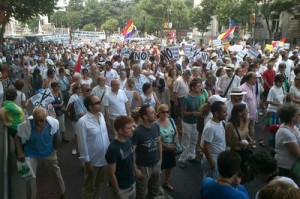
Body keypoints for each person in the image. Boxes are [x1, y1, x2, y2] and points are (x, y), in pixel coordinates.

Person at [15, 107, 66, 199]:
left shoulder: (53, 123)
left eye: (41, 120)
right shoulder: (26, 125)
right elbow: (17, 138)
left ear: (46, 117)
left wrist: (54, 150)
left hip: (49, 153)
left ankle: (62, 194)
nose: (39, 123)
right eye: (36, 120)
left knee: (56, 173)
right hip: (31, 154)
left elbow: (56, 137)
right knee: (30, 179)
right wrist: (20, 152)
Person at [77, 95, 110, 199]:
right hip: (92, 161)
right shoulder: (82, 122)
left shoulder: (101, 115)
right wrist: (87, 162)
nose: (100, 103)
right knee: (89, 188)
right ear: (90, 107)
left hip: (103, 159)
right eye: (97, 102)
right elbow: (82, 144)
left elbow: (105, 136)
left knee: (99, 184)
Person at [132, 104, 162, 199]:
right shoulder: (137, 132)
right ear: (145, 117)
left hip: (156, 163)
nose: (155, 114)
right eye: (152, 112)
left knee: (154, 191)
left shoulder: (156, 126)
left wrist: (160, 160)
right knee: (141, 193)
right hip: (143, 167)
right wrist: (136, 169)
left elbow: (159, 143)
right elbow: (132, 152)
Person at [105, 116, 135, 199]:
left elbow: (131, 158)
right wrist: (118, 192)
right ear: (120, 130)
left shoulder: (128, 140)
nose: (132, 129)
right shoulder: (113, 149)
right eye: (129, 128)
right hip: (121, 188)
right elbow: (111, 173)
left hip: (131, 183)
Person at [178, 79, 206, 168]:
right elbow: (183, 113)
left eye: (200, 86)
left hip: (195, 122)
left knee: (194, 140)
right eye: (198, 86)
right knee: (185, 141)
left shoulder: (198, 96)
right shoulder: (186, 98)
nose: (200, 88)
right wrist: (195, 113)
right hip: (187, 123)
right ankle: (182, 159)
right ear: (192, 88)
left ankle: (191, 155)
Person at [201, 101, 227, 178]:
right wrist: (212, 163)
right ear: (216, 113)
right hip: (212, 160)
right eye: (224, 112)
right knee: (210, 184)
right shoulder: (210, 127)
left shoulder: (221, 122)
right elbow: (205, 147)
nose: (227, 113)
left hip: (218, 159)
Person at [259, 74, 286, 146]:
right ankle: (261, 138)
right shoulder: (272, 89)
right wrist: (279, 104)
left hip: (279, 110)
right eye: (280, 81)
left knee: (277, 126)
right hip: (272, 110)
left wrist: (283, 104)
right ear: (276, 81)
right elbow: (268, 101)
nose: (281, 83)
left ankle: (274, 140)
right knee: (268, 125)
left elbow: (283, 97)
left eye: (283, 81)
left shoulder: (282, 87)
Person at [275, 104, 300, 179]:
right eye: (299, 114)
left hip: (292, 166)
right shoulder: (285, 132)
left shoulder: (293, 127)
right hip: (286, 168)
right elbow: (298, 154)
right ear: (292, 117)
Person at [156, 104, 177, 191]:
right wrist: (167, 147)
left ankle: (166, 182)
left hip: (171, 149)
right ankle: (156, 186)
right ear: (159, 113)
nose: (165, 114)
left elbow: (176, 132)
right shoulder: (156, 124)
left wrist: (174, 143)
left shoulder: (171, 120)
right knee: (158, 169)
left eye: (167, 112)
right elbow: (157, 140)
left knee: (169, 167)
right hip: (161, 150)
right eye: (163, 112)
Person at [240, 72, 258, 145]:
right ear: (250, 78)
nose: (256, 80)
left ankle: (251, 143)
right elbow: (241, 102)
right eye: (255, 78)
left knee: (251, 129)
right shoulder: (243, 88)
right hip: (246, 115)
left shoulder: (252, 87)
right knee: (245, 131)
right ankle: (245, 145)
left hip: (252, 114)